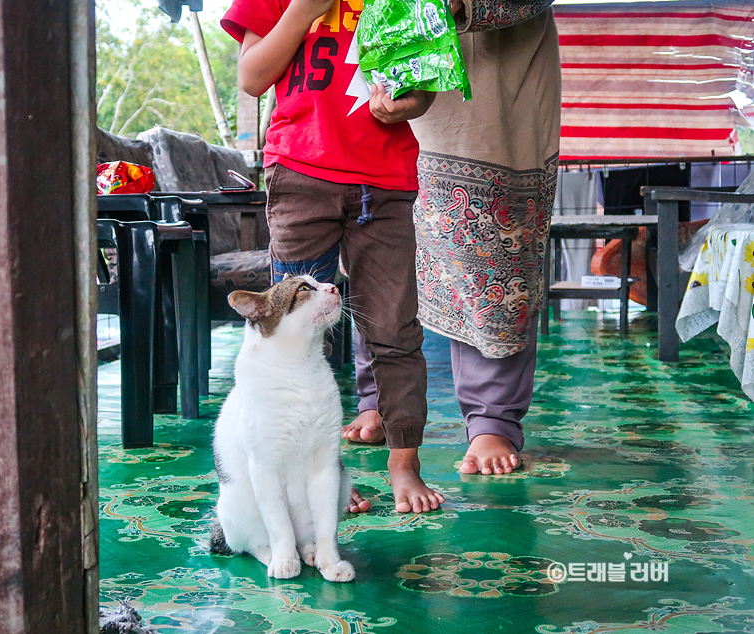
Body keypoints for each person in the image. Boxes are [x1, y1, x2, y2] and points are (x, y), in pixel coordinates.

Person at [221, 0, 445, 513]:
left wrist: (408, 103)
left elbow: (424, 89)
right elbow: (253, 78)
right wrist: (303, 11)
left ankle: (404, 465)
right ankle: (317, 476)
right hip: (300, 173)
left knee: (395, 329)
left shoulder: (412, 3)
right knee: (291, 331)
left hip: (385, 180)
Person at [342, 0, 562, 477]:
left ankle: (492, 420)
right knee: (380, 251)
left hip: (495, 87)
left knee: (490, 256)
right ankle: (380, 398)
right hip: (392, 77)